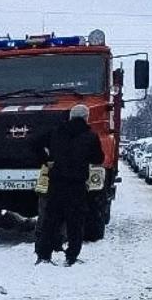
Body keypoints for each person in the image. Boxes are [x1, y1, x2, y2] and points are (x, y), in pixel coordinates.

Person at [30, 104, 104, 266]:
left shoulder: (56, 132)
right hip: (77, 185)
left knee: (51, 220)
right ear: (86, 118)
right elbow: (98, 158)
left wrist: (46, 159)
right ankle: (71, 256)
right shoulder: (90, 136)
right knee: (75, 222)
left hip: (56, 183)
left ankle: (44, 255)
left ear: (70, 116)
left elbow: (34, 143)